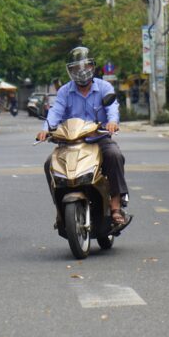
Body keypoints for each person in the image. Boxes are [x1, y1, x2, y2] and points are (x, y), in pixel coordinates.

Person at [36, 46, 129, 225]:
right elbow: (55, 112)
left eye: (85, 66)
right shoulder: (64, 91)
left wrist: (112, 122)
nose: (81, 71)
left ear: (92, 67)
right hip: (71, 142)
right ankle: (59, 210)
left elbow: (112, 108)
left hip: (98, 138)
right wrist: (45, 129)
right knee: (50, 164)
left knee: (114, 155)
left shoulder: (104, 87)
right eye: (75, 68)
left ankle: (116, 205)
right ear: (70, 71)